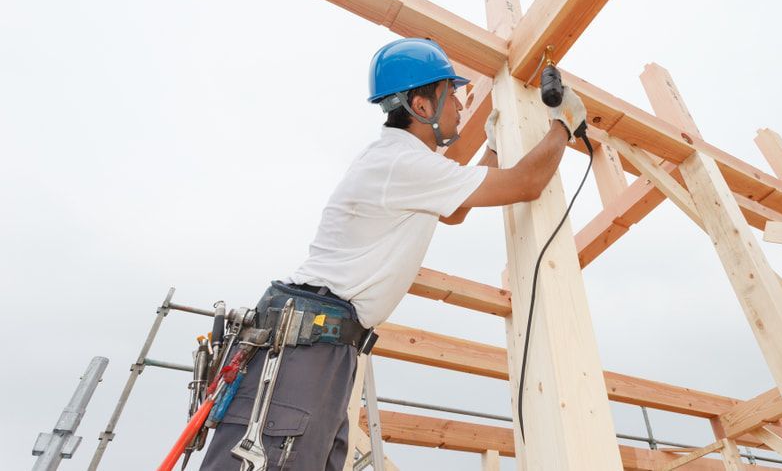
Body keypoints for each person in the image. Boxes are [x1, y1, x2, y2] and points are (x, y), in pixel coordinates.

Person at [199, 37, 587, 470]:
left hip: (325, 343)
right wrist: (563, 126)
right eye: (452, 94)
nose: (461, 106)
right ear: (422, 106)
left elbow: (454, 212)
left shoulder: (407, 164)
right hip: (307, 342)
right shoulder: (401, 162)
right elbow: (526, 184)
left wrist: (493, 147)